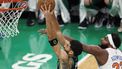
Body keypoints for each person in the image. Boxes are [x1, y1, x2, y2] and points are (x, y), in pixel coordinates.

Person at [39, 2, 82, 69]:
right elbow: (58, 32)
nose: (66, 43)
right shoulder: (73, 54)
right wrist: (52, 13)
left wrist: (47, 18)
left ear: (70, 52)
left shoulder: (64, 58)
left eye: (68, 45)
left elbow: (52, 39)